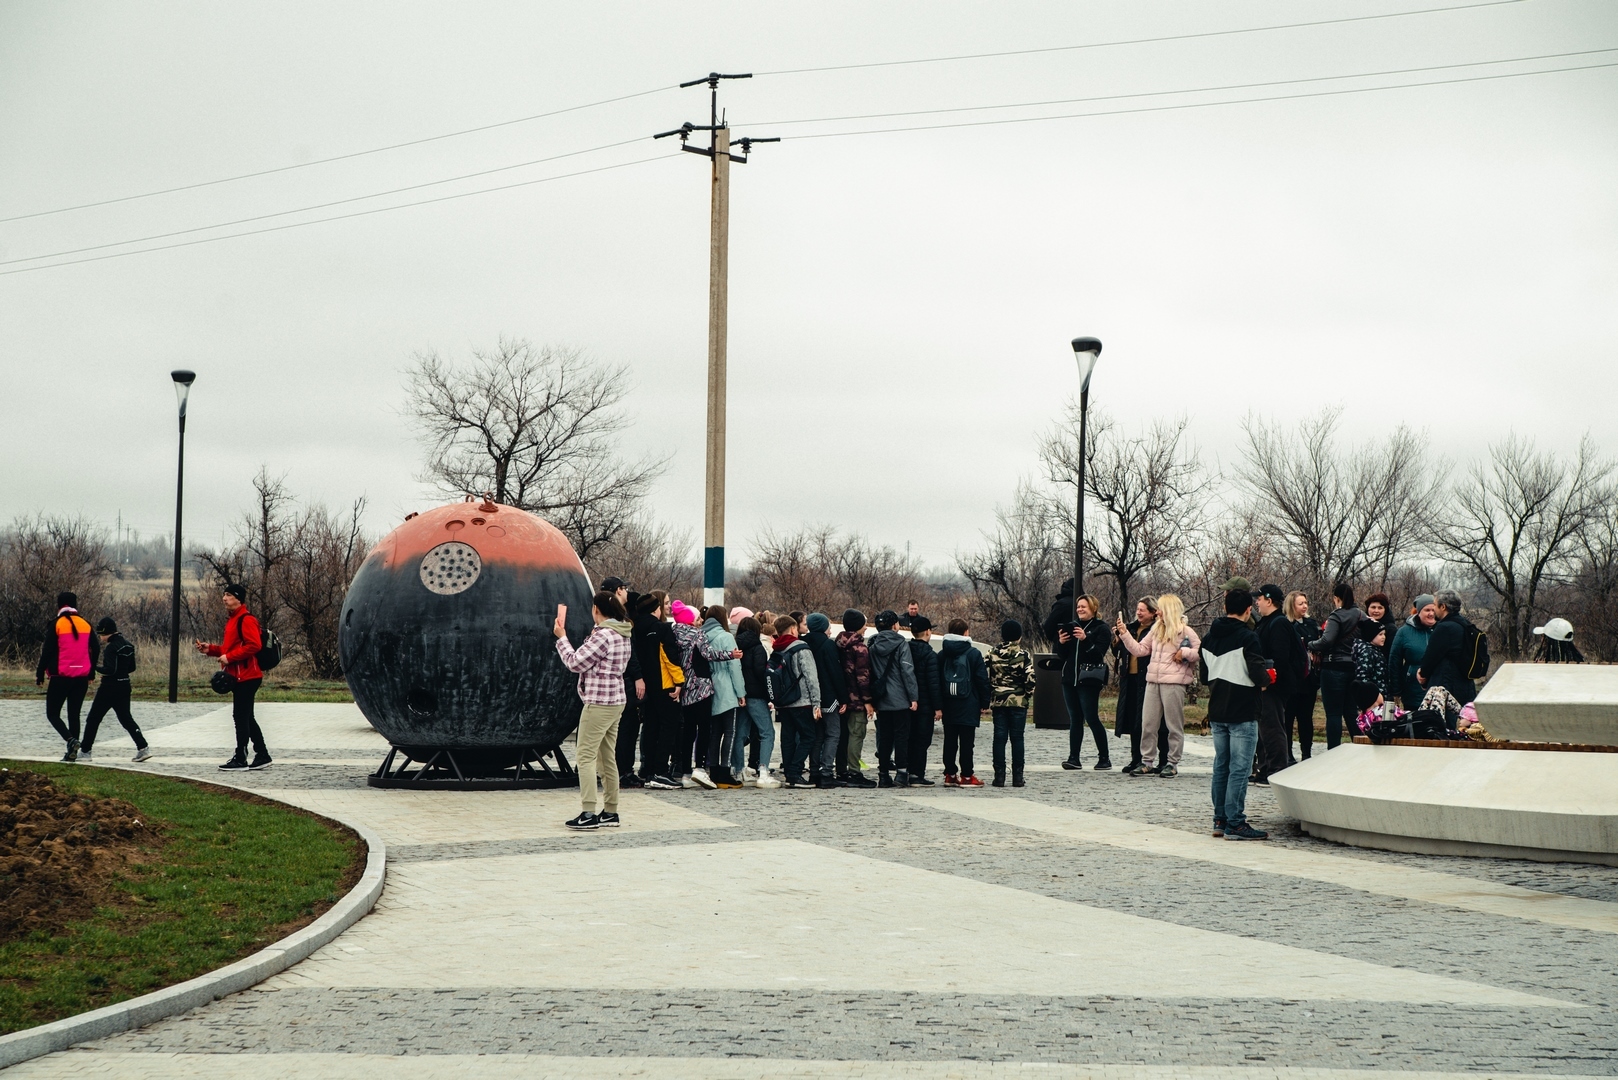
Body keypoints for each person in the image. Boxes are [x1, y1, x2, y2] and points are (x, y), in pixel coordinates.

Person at [554, 591, 634, 830]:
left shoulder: (604, 635)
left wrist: (561, 638)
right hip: (617, 699)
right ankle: (611, 811)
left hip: (599, 700)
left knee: (585, 756)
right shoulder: (623, 633)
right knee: (607, 756)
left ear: (597, 610)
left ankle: (588, 811)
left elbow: (575, 662)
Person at [1202, 588, 1272, 840]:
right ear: (1248, 610)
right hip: (1243, 709)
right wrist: (1267, 679)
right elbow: (1256, 672)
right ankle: (1236, 822)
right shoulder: (1248, 637)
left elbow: (1203, 676)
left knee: (1221, 765)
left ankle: (1219, 819)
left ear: (1224, 607)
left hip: (1217, 709)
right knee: (1240, 768)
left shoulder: (1208, 638)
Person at [1114, 594, 1199, 778]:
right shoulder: (1156, 630)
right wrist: (1124, 634)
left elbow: (1198, 652)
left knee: (1173, 724)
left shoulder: (1185, 631)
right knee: (1148, 723)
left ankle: (1172, 762)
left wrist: (1183, 652)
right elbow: (1140, 650)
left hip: (1174, 683)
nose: (1158, 612)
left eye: (1160, 608)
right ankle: (1147, 761)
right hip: (1153, 681)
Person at [195, 584, 271, 771]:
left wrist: (229, 657)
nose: (224, 598)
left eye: (228, 595)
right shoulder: (232, 621)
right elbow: (230, 649)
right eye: (224, 595)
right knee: (246, 717)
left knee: (240, 716)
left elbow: (254, 646)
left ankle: (241, 757)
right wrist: (211, 649)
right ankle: (262, 754)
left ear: (238, 598)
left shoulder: (246, 620)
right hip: (238, 676)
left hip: (248, 676)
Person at [670, 600, 736, 789]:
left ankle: (684, 772)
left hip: (684, 686)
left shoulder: (674, 633)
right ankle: (699, 768)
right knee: (704, 728)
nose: (700, 621)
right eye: (698, 618)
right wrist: (731, 654)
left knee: (688, 730)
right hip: (702, 685)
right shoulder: (697, 634)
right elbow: (708, 654)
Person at [630, 591, 685, 790]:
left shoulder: (634, 629)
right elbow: (670, 657)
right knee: (668, 727)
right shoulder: (661, 628)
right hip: (664, 685)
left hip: (645, 686)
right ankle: (660, 772)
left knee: (651, 727)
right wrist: (679, 682)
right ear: (656, 608)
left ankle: (647, 770)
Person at [36, 591, 98, 762]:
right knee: (74, 714)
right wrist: (91, 671)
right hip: (81, 678)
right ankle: (73, 753)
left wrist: (40, 672)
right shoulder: (85, 624)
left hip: (60, 677)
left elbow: (47, 651)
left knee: (52, 714)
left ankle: (70, 741)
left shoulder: (56, 624)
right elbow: (96, 648)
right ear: (75, 604)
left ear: (59, 605)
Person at [79, 617, 152, 763]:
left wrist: (94, 668)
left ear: (106, 633)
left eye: (100, 634)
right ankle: (143, 748)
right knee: (126, 719)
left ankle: (85, 751)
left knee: (93, 718)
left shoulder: (111, 648)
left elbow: (110, 670)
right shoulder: (128, 645)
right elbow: (132, 668)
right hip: (125, 685)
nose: (100, 638)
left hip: (109, 688)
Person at [1056, 594, 1113, 771]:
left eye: (1084, 607)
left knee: (1091, 717)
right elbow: (1062, 655)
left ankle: (1104, 758)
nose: (1080, 609)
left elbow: (1098, 654)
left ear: (1093, 608)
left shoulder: (1101, 628)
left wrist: (1085, 639)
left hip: (1088, 680)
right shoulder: (1072, 626)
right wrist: (1061, 642)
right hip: (1069, 679)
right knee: (1075, 719)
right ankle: (1074, 758)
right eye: (1078, 607)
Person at [1111, 598, 1168, 775]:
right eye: (1137, 609)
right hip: (1130, 678)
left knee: (1154, 721)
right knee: (1133, 719)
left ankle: (1163, 759)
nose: (1139, 612)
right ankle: (1137, 758)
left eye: (1143, 610)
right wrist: (1118, 638)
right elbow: (1120, 652)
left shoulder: (1157, 630)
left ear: (1153, 612)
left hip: (1150, 678)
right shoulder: (1131, 628)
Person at [1252, 584, 1300, 785]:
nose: (1257, 602)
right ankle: (1264, 769)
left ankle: (1276, 770)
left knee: (1272, 728)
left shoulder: (1278, 623)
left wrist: (1269, 681)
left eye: (1260, 598)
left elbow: (1279, 657)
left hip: (1274, 686)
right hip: (1265, 684)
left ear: (1269, 601)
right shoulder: (1265, 622)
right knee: (1264, 730)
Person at [1307, 582, 1363, 749]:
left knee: (1333, 714)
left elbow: (1327, 640)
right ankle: (1360, 746)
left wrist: (1310, 644)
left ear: (1337, 598)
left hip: (1333, 668)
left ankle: (1334, 751)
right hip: (1353, 667)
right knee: (1351, 712)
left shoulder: (1336, 616)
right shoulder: (1361, 615)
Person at [868, 610, 919, 787]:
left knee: (884, 737)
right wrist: (913, 697)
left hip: (882, 699)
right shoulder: (901, 644)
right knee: (901, 737)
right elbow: (907, 671)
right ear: (895, 625)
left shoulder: (872, 646)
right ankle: (901, 773)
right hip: (900, 698)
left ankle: (883, 774)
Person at [769, 614, 821, 788]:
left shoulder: (776, 649)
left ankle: (790, 774)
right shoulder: (801, 648)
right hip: (802, 700)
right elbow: (811, 676)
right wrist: (816, 702)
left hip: (784, 701)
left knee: (788, 738)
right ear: (792, 629)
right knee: (808, 736)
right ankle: (795, 772)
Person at [939, 618, 992, 786]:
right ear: (966, 633)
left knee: (950, 740)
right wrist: (985, 702)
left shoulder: (942, 654)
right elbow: (982, 679)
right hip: (969, 702)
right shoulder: (973, 654)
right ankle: (967, 776)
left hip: (948, 703)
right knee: (967, 742)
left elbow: (937, 681)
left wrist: (938, 704)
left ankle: (950, 774)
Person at [603, 579, 645, 788]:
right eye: (624, 588)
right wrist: (638, 676)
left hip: (616, 680)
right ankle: (620, 771)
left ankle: (623, 770)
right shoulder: (620, 619)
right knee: (624, 729)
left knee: (625, 729)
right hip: (623, 679)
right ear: (618, 591)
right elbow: (631, 652)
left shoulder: (617, 615)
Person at [732, 615, 779, 787]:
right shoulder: (757, 647)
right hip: (756, 695)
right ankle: (763, 771)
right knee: (767, 732)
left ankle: (738, 770)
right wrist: (770, 696)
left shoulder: (735, 645)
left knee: (740, 733)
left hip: (740, 695)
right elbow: (761, 674)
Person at [702, 606, 746, 788]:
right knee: (730, 731)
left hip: (709, 686)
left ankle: (712, 770)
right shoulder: (726, 637)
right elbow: (734, 666)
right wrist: (741, 693)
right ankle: (725, 771)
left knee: (714, 732)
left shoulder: (703, 636)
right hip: (727, 686)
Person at [988, 618, 1035, 787]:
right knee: (1017, 738)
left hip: (999, 702)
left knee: (999, 738)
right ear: (1019, 637)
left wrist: (991, 694)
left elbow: (985, 675)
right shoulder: (1023, 655)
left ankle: (999, 776)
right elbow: (1030, 679)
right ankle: (1017, 777)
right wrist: (1027, 695)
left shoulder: (992, 653)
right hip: (1018, 702)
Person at [803, 613, 847, 789]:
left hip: (810, 698)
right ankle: (827, 772)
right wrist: (843, 697)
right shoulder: (827, 645)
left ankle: (814, 772)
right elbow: (835, 672)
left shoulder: (803, 643)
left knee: (817, 736)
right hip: (829, 698)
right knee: (833, 734)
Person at [1417, 590, 1482, 705]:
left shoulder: (1444, 628)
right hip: (1466, 686)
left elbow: (1431, 657)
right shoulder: (1465, 624)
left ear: (1443, 607)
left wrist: (1422, 675)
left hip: (1446, 688)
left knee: (1444, 723)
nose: (1434, 610)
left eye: (1435, 605)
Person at [836, 610, 877, 786]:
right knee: (856, 734)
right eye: (863, 624)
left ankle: (842, 770)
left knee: (842, 735)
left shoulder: (837, 644)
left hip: (841, 697)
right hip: (857, 699)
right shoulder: (860, 648)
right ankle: (854, 772)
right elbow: (863, 677)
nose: (866, 627)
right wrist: (868, 701)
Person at [1284, 590, 1321, 762]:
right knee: (1288, 718)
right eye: (1301, 603)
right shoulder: (1286, 625)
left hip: (1309, 678)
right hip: (1291, 678)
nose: (1305, 606)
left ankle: (1307, 752)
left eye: (1306, 602)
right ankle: (1288, 753)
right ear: (1292, 606)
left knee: (1306, 718)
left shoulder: (1311, 624)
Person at [906, 615, 941, 786]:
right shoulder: (930, 655)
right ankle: (917, 773)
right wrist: (938, 707)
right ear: (928, 632)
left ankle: (904, 770)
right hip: (925, 705)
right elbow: (933, 684)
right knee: (922, 740)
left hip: (906, 702)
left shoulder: (905, 650)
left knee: (908, 738)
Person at [1388, 595, 1436, 710]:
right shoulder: (1404, 632)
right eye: (1427, 610)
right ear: (1418, 612)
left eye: (1434, 610)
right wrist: (1396, 690)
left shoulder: (1442, 630)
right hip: (1412, 690)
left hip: (1438, 688)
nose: (1431, 613)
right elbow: (1394, 661)